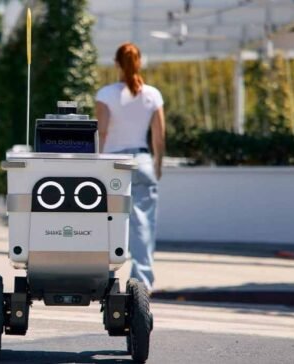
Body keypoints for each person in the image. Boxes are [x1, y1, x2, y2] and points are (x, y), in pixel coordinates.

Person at [95, 43, 166, 291]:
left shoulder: (105, 95)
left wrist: (96, 164)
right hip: (142, 162)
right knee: (143, 224)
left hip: (112, 165)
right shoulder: (153, 95)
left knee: (107, 221)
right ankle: (142, 282)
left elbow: (102, 132)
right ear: (140, 63)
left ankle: (103, 277)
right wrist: (158, 164)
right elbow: (158, 136)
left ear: (116, 64)